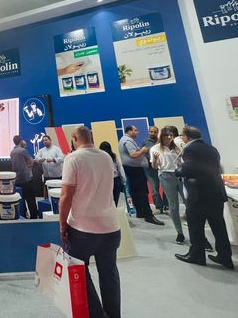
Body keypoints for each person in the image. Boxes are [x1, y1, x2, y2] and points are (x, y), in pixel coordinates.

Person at [59, 126, 121, 318]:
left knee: (78, 272)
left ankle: (96, 314)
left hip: (82, 229)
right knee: (109, 274)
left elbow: (66, 195)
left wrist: (62, 224)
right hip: (110, 227)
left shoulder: (73, 158)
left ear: (74, 138)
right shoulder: (106, 157)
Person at [175, 126, 233, 269]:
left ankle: (196, 255)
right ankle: (225, 256)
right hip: (216, 191)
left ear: (187, 137)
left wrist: (178, 170)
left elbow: (189, 169)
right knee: (219, 226)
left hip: (199, 193)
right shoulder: (211, 149)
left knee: (196, 225)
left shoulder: (190, 149)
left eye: (182, 136)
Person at [118, 126, 164, 225]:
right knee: (142, 192)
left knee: (136, 192)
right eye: (135, 130)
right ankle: (148, 215)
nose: (137, 132)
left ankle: (140, 212)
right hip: (135, 170)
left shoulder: (125, 140)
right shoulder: (127, 141)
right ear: (129, 131)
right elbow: (133, 154)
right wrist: (143, 150)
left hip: (133, 169)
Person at [150, 127, 186, 244]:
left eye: (171, 135)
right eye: (166, 135)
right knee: (173, 206)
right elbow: (155, 167)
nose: (169, 137)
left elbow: (183, 162)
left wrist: (181, 157)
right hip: (166, 176)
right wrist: (155, 159)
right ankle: (179, 232)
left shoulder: (177, 146)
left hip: (180, 175)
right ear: (161, 136)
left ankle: (198, 233)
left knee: (189, 203)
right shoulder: (155, 148)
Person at [10, 135, 37, 219]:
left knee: (21, 199)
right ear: (21, 141)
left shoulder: (12, 152)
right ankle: (34, 216)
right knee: (30, 199)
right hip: (26, 178)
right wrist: (28, 166)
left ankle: (23, 215)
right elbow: (31, 161)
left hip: (17, 178)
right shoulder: (23, 151)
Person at [144, 126, 166, 213]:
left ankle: (166, 204)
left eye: (154, 132)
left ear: (157, 132)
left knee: (166, 186)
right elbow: (150, 154)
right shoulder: (146, 142)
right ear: (149, 132)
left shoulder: (161, 141)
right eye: (151, 132)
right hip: (150, 169)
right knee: (154, 188)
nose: (152, 133)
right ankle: (159, 207)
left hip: (162, 167)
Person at [99, 142, 126, 206]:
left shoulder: (99, 158)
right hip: (116, 180)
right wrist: (124, 180)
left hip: (105, 181)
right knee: (115, 199)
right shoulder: (114, 156)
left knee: (107, 200)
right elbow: (120, 168)